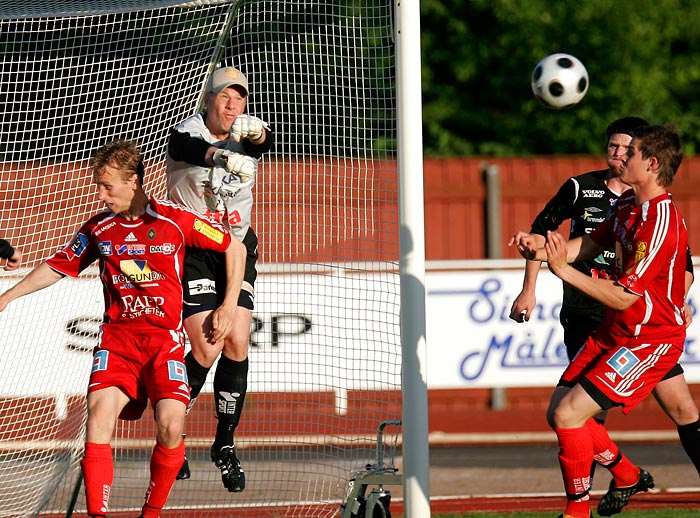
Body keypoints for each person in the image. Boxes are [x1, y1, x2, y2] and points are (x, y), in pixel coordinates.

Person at [0, 140, 246, 518]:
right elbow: (57, 265)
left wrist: (228, 306)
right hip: (117, 342)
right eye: (99, 185)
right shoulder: (99, 228)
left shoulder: (173, 220)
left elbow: (235, 248)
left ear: (133, 181)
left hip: (163, 342)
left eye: (107, 185)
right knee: (98, 418)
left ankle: (150, 514)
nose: (101, 193)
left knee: (171, 425)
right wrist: (8, 296)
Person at [510, 124, 689, 518]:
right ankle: (625, 475)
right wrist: (540, 247)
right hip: (615, 330)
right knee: (558, 410)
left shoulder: (660, 222)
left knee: (570, 414)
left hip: (647, 339)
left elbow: (625, 296)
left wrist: (562, 271)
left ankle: (577, 512)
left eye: (633, 152)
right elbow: (587, 245)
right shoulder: (627, 207)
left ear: (652, 164)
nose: (622, 156)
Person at [166, 65, 274, 491]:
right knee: (207, 346)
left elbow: (269, 141)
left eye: (240, 98)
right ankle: (175, 432)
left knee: (238, 340)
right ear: (208, 99)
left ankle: (224, 444)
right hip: (195, 248)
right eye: (224, 97)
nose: (232, 105)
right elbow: (185, 147)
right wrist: (222, 155)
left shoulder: (246, 128)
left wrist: (256, 135)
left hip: (237, 247)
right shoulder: (188, 131)